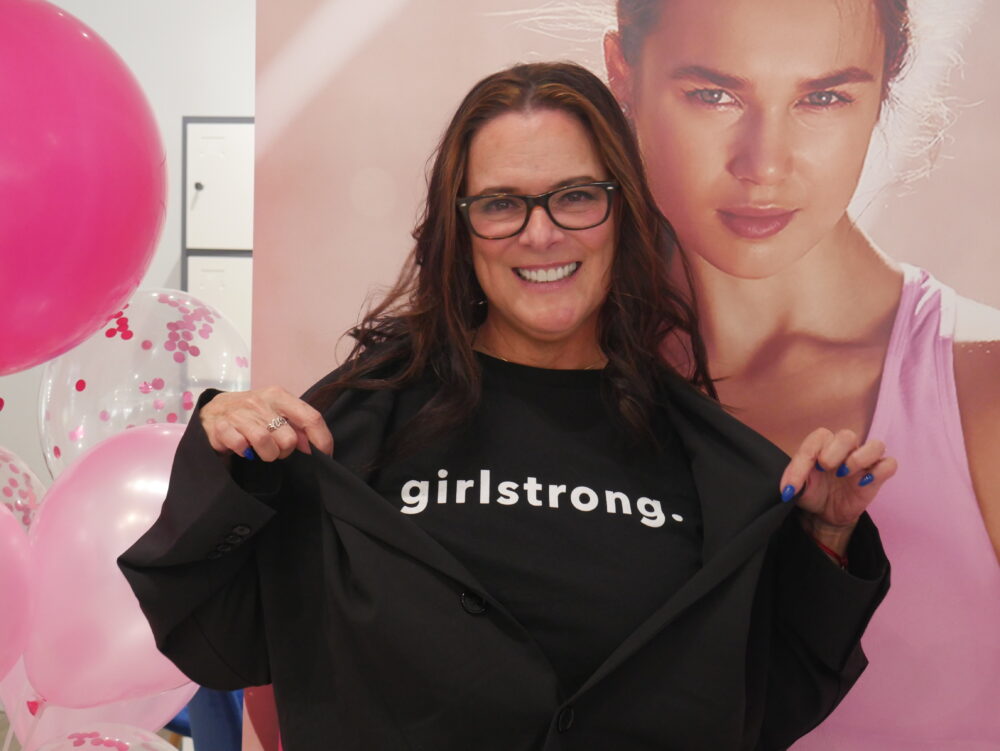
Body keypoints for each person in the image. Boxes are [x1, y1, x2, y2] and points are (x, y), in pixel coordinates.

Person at [120, 62, 892, 750]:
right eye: (500, 205)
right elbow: (215, 636)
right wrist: (227, 466)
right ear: (460, 227)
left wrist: (823, 543)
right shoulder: (356, 427)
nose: (541, 233)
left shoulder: (708, 459)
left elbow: (766, 705)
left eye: (576, 196)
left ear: (621, 212)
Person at [603, 0, 1000, 747]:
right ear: (623, 74)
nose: (766, 164)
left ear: (886, 86)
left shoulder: (986, 393)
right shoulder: (528, 395)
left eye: (823, 97)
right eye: (715, 95)